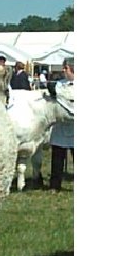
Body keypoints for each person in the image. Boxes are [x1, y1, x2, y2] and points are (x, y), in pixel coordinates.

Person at [49, 58, 74, 191]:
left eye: (65, 68)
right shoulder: (59, 84)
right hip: (60, 127)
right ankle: (54, 185)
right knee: (57, 158)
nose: (63, 70)